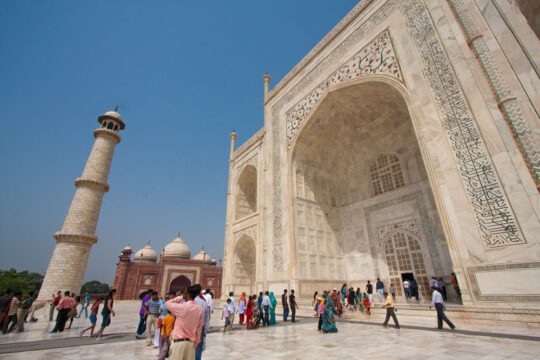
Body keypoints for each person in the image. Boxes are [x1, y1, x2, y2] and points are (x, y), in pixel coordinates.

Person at [165, 286, 204, 360]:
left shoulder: (182, 307)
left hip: (179, 344)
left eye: (184, 293)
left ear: (187, 294)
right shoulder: (199, 309)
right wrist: (196, 343)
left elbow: (167, 303)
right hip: (191, 344)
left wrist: (180, 297)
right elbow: (199, 329)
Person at [193, 285, 210, 360]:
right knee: (198, 348)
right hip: (201, 328)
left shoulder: (188, 302)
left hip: (189, 328)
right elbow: (207, 318)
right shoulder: (203, 303)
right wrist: (205, 330)